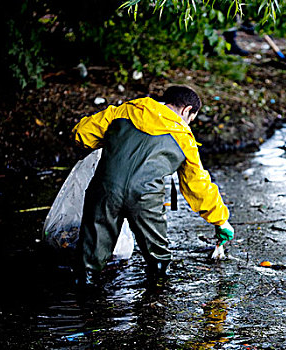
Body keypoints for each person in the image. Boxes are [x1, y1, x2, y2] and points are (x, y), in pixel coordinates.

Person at [72, 85, 235, 287]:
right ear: (186, 111)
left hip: (105, 188)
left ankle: (86, 307)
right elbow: (197, 185)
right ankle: (155, 303)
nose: (189, 124)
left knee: (90, 258)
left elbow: (82, 133)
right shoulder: (184, 138)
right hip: (145, 198)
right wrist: (221, 220)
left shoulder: (125, 111)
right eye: (191, 119)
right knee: (157, 256)